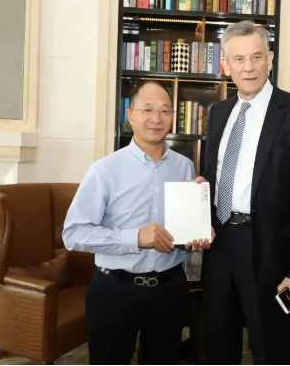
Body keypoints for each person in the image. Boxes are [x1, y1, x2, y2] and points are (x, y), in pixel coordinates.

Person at [196, 20, 290, 364]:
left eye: (256, 57)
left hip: (272, 254)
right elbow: (217, 173)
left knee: (272, 352)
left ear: (269, 60)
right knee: (217, 348)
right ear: (226, 66)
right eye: (239, 59)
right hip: (220, 248)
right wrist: (202, 191)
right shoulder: (219, 113)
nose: (248, 67)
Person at [63, 81, 212, 365]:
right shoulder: (104, 169)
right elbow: (73, 233)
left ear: (173, 117)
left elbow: (181, 229)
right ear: (130, 116)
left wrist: (197, 230)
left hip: (169, 289)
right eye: (148, 109)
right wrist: (136, 238)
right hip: (114, 290)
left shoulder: (184, 166)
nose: (157, 118)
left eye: (165, 110)